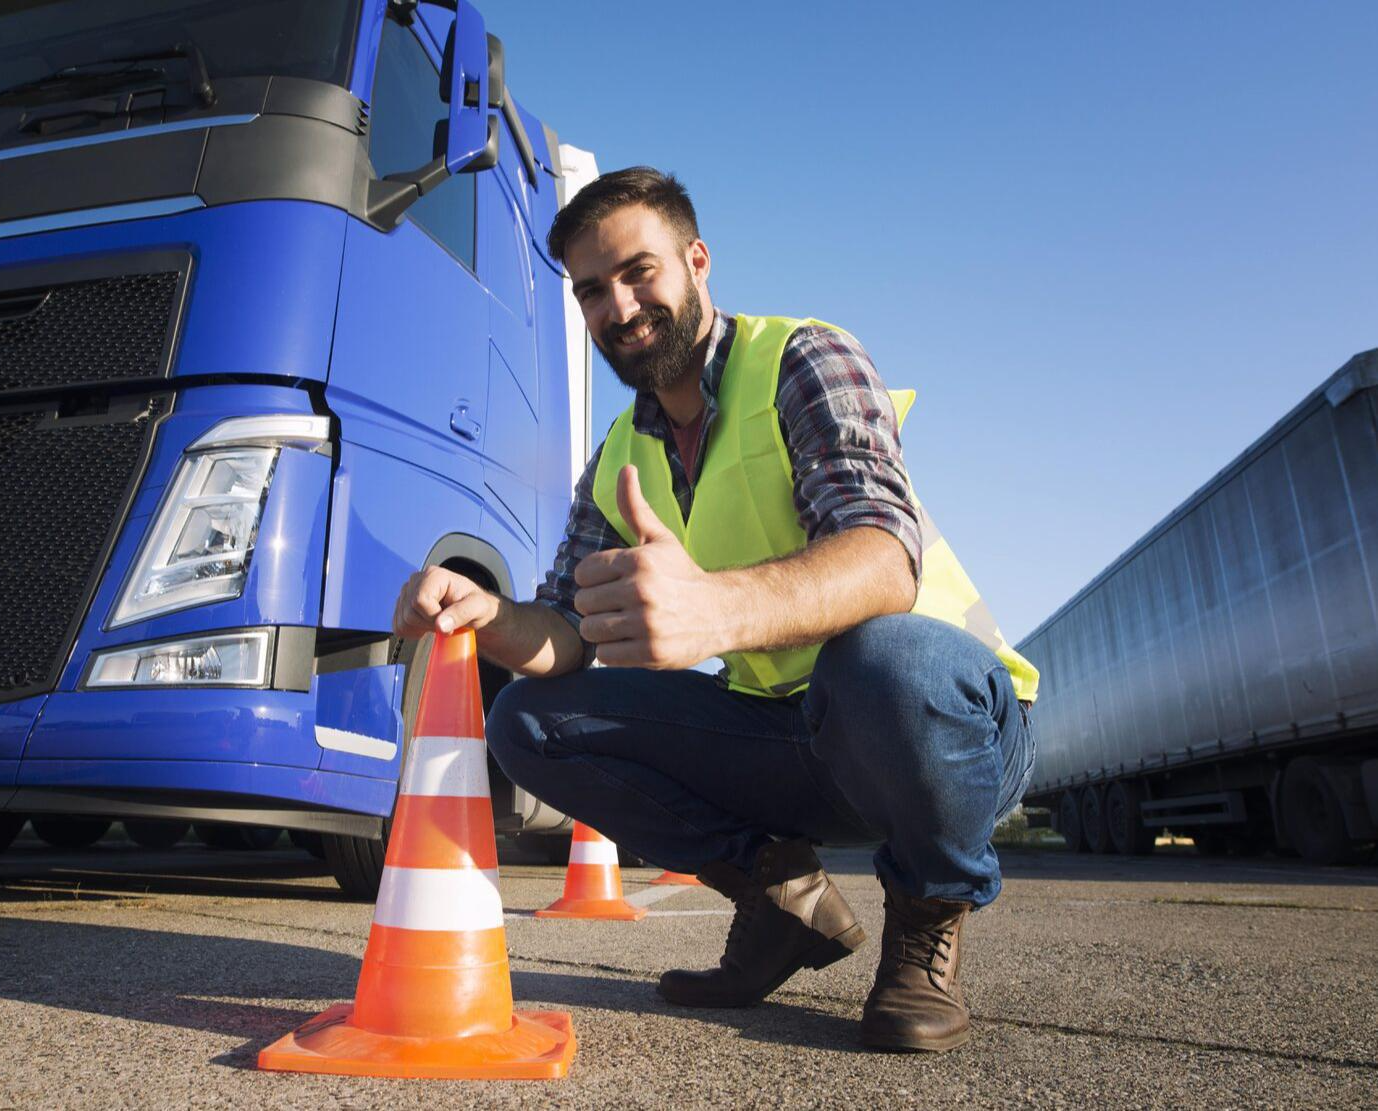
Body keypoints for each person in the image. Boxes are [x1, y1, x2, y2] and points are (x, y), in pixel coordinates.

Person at [390, 167, 1038, 1052]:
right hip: (796, 738)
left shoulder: (805, 359)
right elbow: (566, 633)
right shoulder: (621, 452)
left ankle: (928, 911)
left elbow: (886, 556)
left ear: (697, 262)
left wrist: (715, 613)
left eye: (638, 272)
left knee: (884, 660)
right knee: (528, 719)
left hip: (941, 729)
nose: (617, 307)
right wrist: (487, 614)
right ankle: (780, 902)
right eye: (590, 291)